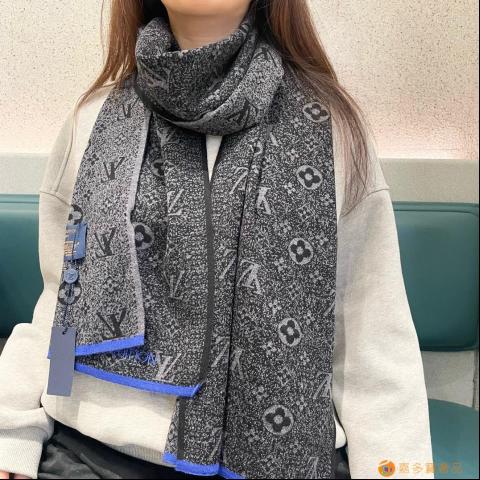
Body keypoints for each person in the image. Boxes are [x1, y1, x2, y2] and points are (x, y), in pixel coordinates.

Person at [0, 0, 434, 478]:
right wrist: (15, 431)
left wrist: (396, 469)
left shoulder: (331, 126)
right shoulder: (93, 118)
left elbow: (372, 329)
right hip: (87, 456)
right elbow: (63, 302)